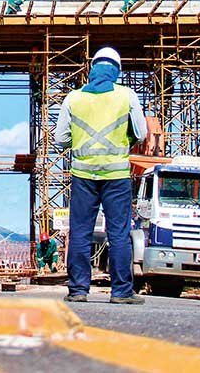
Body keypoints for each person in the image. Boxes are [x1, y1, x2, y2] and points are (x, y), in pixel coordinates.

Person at [54, 47, 147, 304]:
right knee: (118, 233)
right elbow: (141, 134)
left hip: (83, 175)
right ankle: (121, 292)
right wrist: (125, 139)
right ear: (116, 70)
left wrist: (81, 142)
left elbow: (60, 139)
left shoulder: (73, 98)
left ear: (92, 68)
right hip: (116, 175)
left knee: (81, 232)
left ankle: (78, 290)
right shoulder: (127, 95)